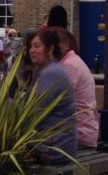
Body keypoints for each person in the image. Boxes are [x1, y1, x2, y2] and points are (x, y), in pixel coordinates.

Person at [18, 28, 80, 157]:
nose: (31, 51)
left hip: (53, 146)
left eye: (37, 46)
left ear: (50, 49)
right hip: (58, 143)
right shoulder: (48, 69)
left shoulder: (50, 73)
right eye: (30, 47)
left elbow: (31, 114)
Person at [58, 28, 100, 149]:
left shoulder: (69, 66)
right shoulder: (71, 61)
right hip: (82, 132)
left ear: (65, 45)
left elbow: (58, 102)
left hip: (79, 135)